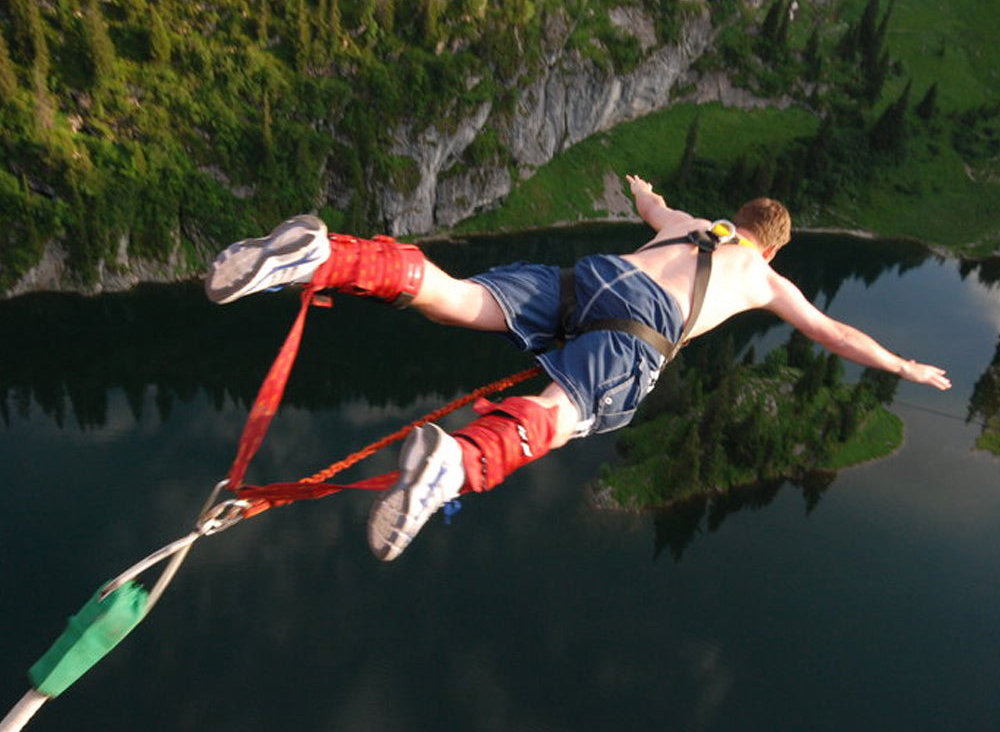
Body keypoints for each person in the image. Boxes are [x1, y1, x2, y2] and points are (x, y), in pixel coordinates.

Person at [205, 176, 951, 561]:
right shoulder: (766, 280)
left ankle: (324, 256)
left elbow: (655, 203)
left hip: (591, 280)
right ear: (774, 246)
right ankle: (454, 464)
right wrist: (902, 364)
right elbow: (834, 334)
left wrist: (642, 195)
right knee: (564, 414)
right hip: (640, 331)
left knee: (458, 299)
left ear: (738, 218)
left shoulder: (692, 225)